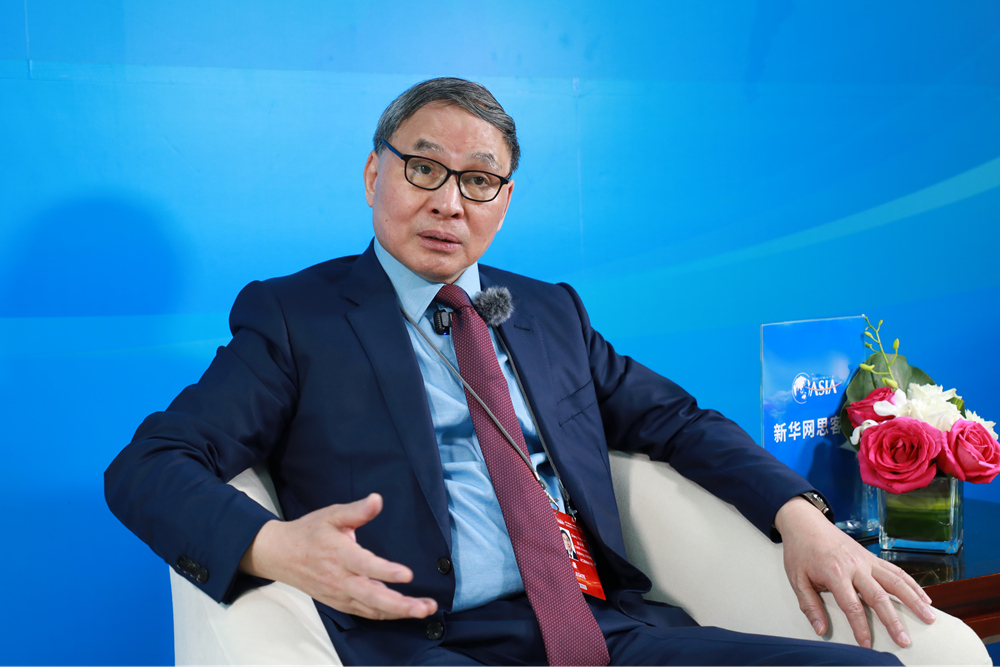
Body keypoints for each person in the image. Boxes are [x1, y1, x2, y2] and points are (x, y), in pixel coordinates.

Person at [106, 77, 936, 666]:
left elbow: (676, 421)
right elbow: (148, 465)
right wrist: (272, 545)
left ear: (504, 202)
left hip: (604, 629)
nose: (448, 202)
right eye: (423, 168)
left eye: (478, 180)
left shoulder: (547, 310)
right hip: (425, 641)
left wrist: (802, 516)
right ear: (373, 174)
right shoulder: (298, 318)